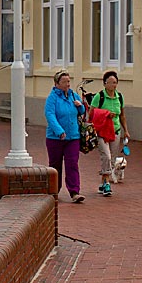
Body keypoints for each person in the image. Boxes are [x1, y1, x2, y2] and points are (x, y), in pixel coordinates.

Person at [45, 70, 86, 204]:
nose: (68, 84)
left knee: (72, 163)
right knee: (55, 165)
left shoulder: (73, 95)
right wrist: (59, 131)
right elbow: (50, 115)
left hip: (73, 137)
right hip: (55, 138)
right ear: (57, 83)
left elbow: (82, 112)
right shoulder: (53, 98)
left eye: (69, 81)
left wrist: (80, 107)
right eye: (64, 82)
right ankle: (54, 190)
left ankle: (74, 192)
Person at [90, 70, 129, 197]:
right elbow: (91, 113)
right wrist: (105, 114)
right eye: (111, 83)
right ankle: (107, 183)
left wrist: (126, 131)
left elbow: (122, 115)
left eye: (115, 83)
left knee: (112, 158)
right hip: (101, 131)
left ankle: (102, 183)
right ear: (105, 83)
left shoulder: (120, 97)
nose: (113, 85)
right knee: (106, 156)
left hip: (115, 131)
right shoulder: (99, 96)